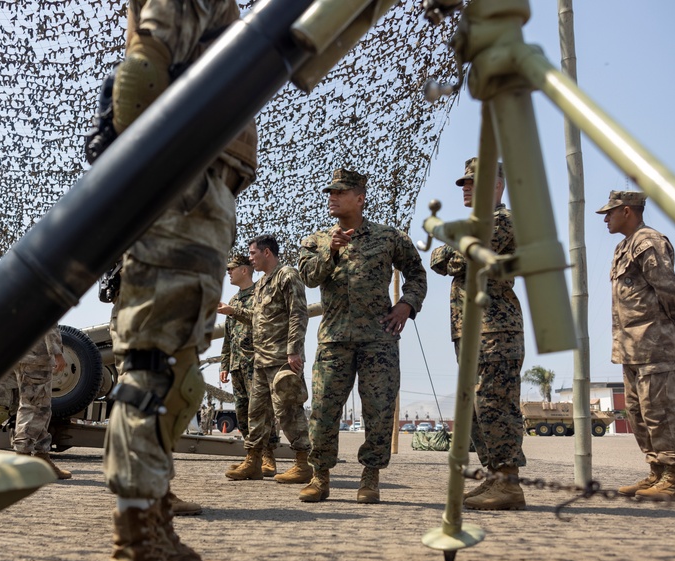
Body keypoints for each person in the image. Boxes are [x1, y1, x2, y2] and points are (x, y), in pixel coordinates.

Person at [100, 0, 257, 561]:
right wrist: (159, 182)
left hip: (203, 190)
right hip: (181, 188)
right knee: (151, 372)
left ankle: (158, 534)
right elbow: (143, 68)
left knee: (181, 373)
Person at [298, 168, 427, 503]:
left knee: (379, 409)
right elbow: (309, 277)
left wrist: (407, 305)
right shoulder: (316, 240)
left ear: (360, 198)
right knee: (324, 409)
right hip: (334, 339)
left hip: (378, 338)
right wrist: (333, 253)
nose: (332, 198)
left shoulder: (389, 237)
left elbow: (416, 273)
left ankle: (370, 478)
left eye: (340, 193)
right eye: (330, 193)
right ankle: (319, 477)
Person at [430, 158, 526, 510]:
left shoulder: (502, 221)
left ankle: (509, 484)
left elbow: (457, 259)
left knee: (495, 404)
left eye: (473, 181)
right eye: (464, 183)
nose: (466, 188)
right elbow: (440, 256)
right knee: (476, 408)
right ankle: (494, 477)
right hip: (472, 331)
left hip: (495, 329)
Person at [601, 190, 675, 499]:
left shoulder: (650, 243)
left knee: (659, 411)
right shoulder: (623, 247)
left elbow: (668, 291)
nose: (606, 218)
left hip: (655, 345)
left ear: (628, 211)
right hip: (630, 348)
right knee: (638, 412)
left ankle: (672, 475)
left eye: (610, 212)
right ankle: (656, 472)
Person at [222, 234, 312, 484]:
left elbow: (298, 314)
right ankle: (253, 462)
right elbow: (256, 318)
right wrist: (234, 312)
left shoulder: (287, 276)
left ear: (267, 253)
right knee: (256, 413)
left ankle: (303, 464)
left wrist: (293, 350)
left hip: (282, 359)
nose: (250, 258)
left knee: (289, 411)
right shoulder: (261, 284)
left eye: (253, 254)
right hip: (260, 360)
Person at [0, 325, 71, 480]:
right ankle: (23, 457)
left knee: (38, 408)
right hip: (36, 357)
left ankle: (42, 456)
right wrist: (57, 352)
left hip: (17, 354)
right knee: (35, 407)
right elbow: (48, 320)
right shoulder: (43, 299)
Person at [218, 253, 280, 476]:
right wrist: (224, 363)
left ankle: (268, 457)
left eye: (231, 269)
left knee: (263, 412)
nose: (228, 273)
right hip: (237, 364)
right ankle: (251, 457)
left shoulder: (260, 293)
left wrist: (233, 311)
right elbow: (228, 335)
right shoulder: (233, 299)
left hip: (257, 362)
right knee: (242, 413)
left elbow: (263, 320)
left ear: (244, 270)